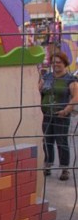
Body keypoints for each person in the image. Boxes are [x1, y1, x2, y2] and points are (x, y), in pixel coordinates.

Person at [39, 51, 78, 181]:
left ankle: (64, 169)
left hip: (61, 116)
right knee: (47, 141)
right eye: (53, 62)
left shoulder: (70, 79)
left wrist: (66, 110)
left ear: (65, 63)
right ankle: (48, 165)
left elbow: (76, 97)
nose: (55, 64)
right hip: (47, 115)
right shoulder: (47, 77)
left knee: (61, 141)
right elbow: (39, 90)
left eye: (59, 62)